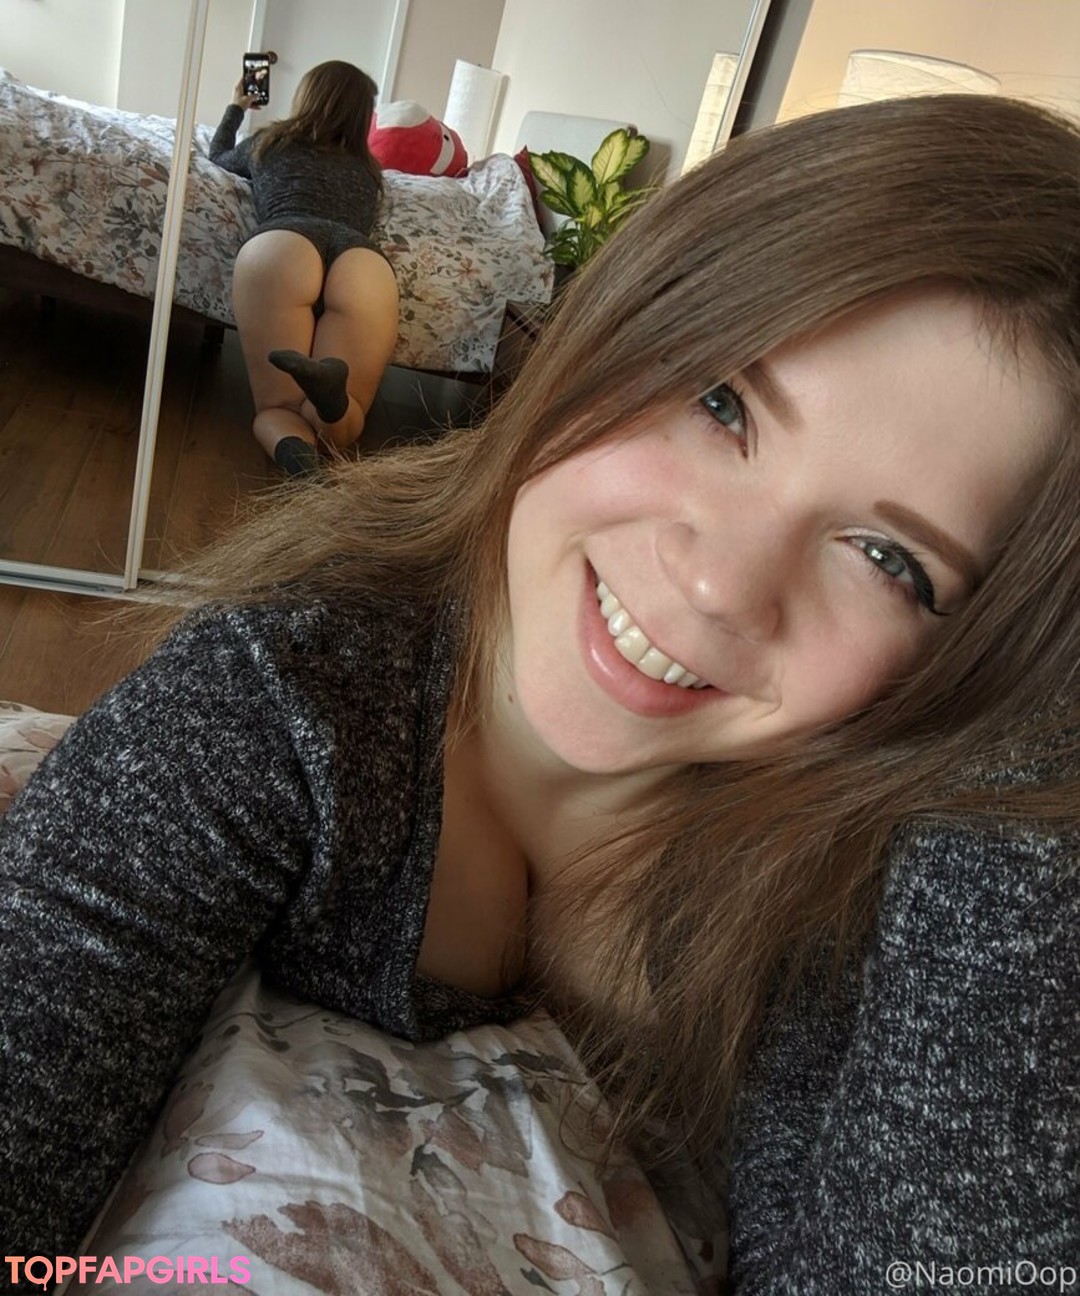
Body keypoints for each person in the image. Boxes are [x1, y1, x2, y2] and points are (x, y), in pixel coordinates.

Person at [2, 93, 1078, 1290]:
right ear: (607, 328)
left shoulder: (863, 883)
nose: (719, 585)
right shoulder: (276, 698)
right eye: (720, 402)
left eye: (889, 560)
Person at [209, 59, 399, 476]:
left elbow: (217, 155)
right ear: (363, 117)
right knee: (347, 423)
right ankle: (329, 398)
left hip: (284, 245)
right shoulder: (370, 172)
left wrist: (237, 104)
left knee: (275, 409)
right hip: (361, 263)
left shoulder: (269, 142)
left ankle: (302, 465)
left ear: (308, 96)